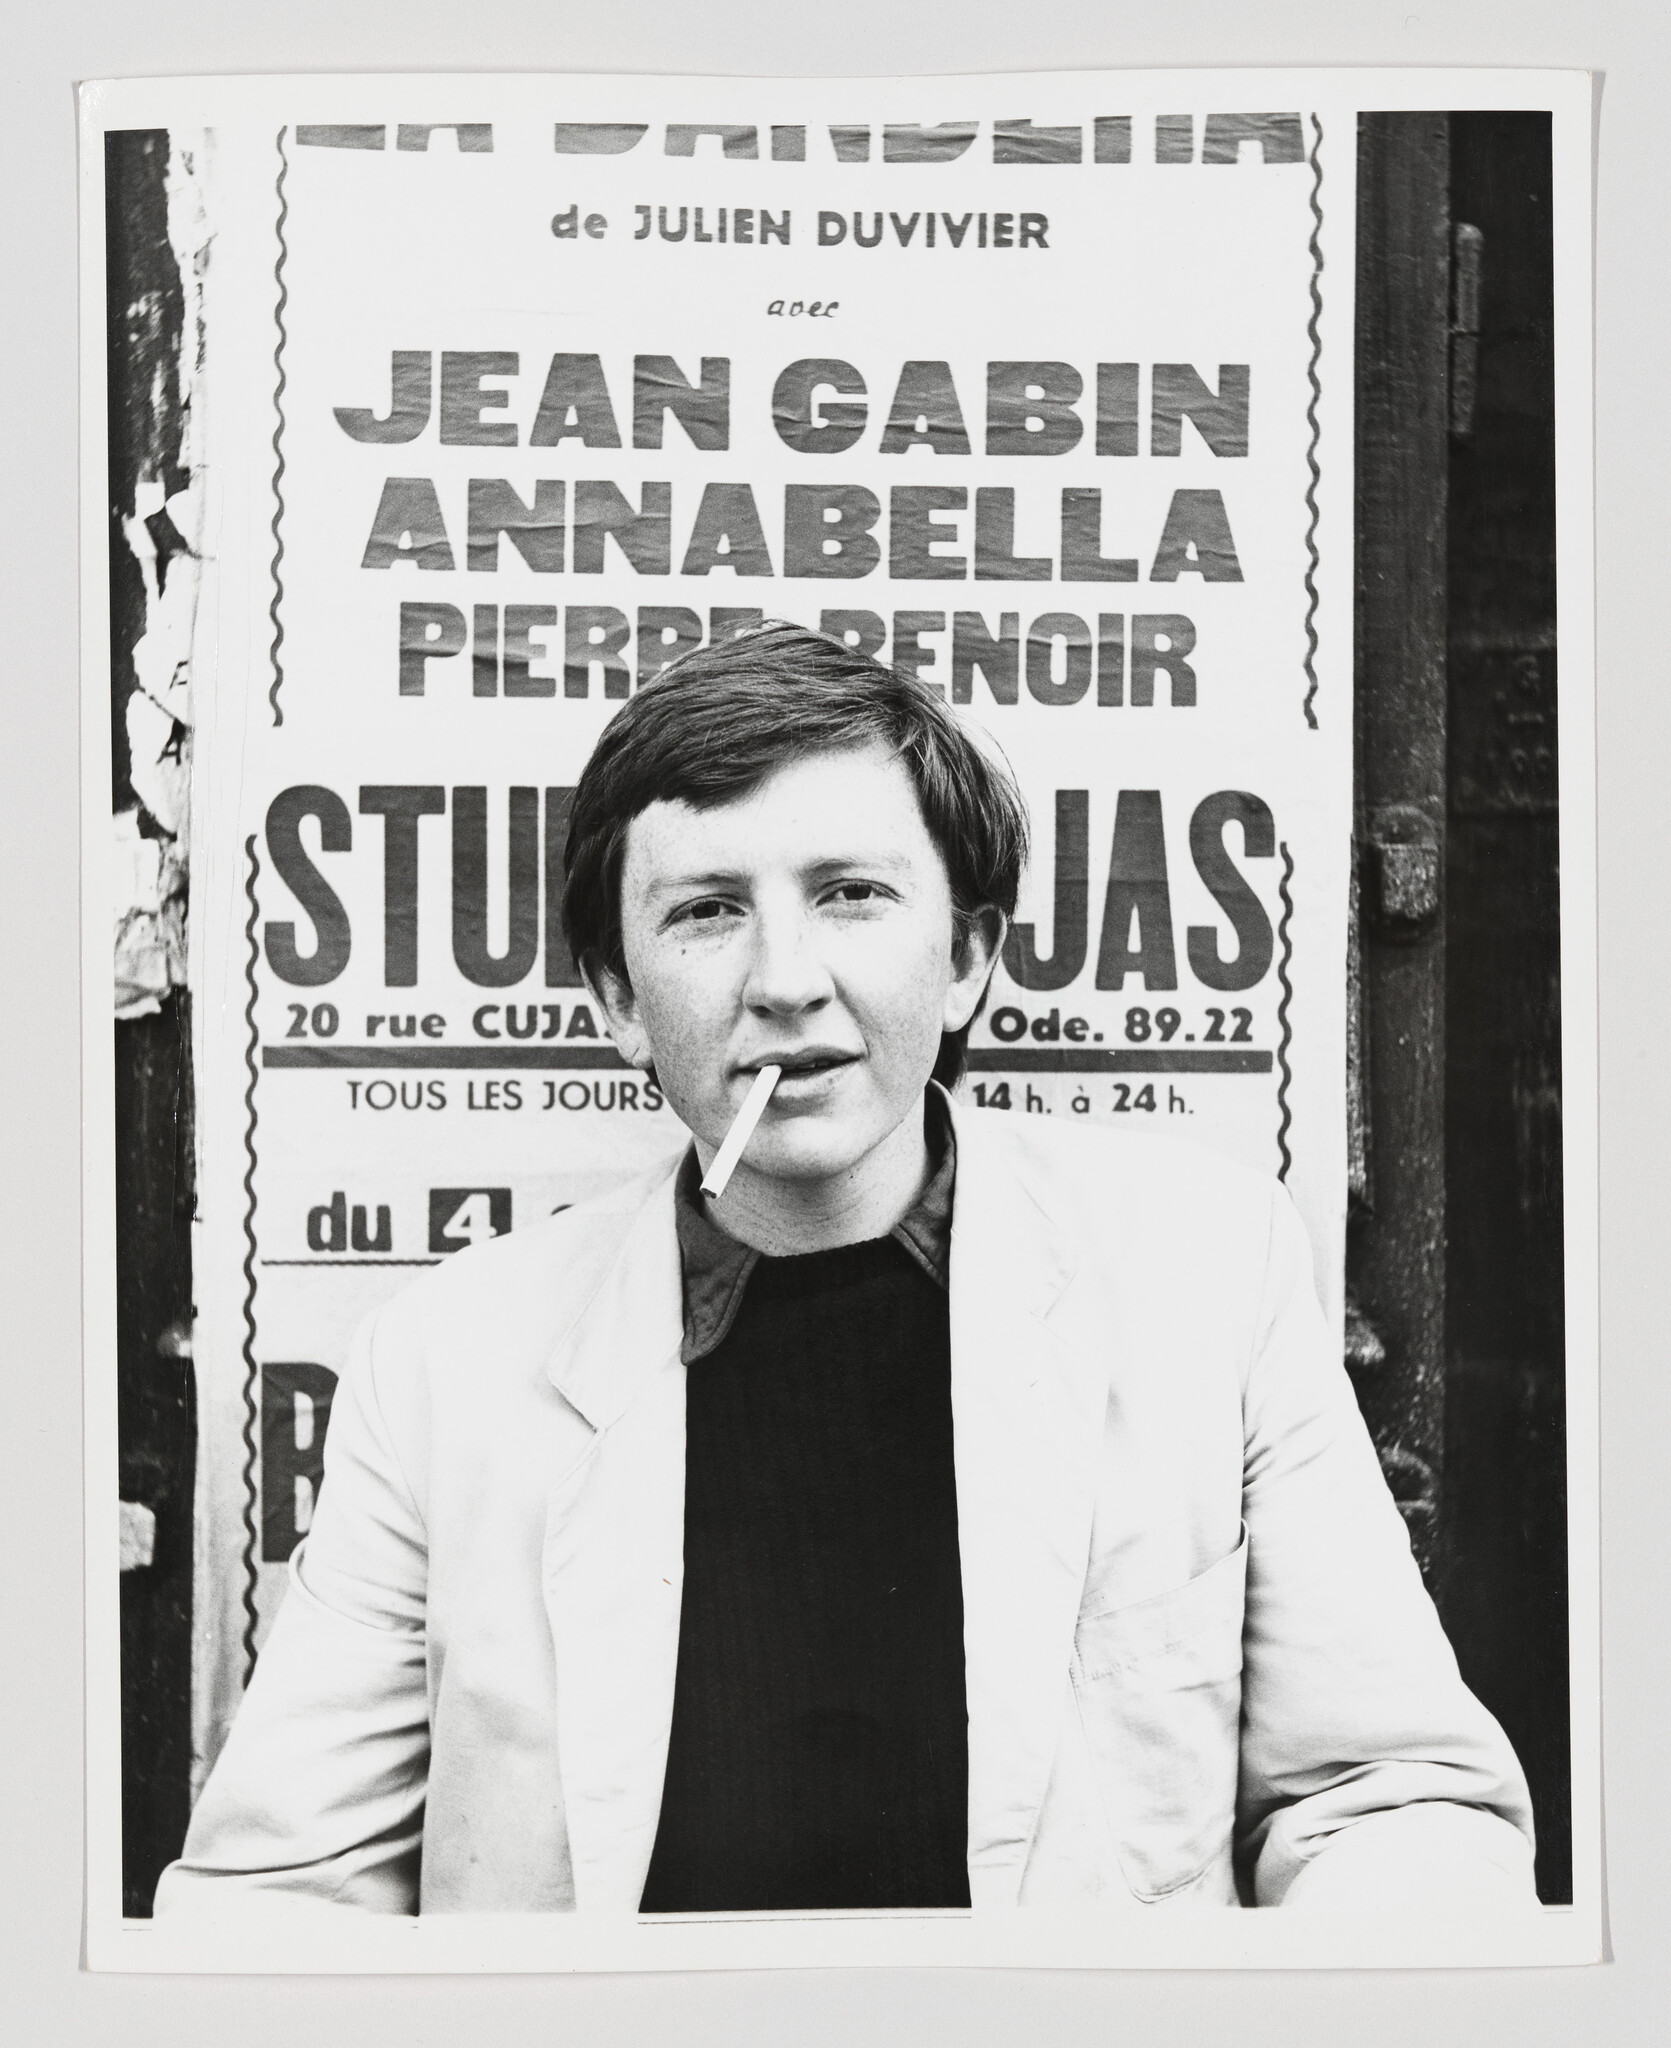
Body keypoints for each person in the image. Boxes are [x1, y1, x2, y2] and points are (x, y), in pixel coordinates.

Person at [156, 624, 1535, 1917]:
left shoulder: (1202, 1280)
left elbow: (1388, 1801)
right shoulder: (450, 1360)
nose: (787, 980)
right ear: (619, 1004)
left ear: (969, 959)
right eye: (705, 912)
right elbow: (281, 1899)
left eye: (852, 896)